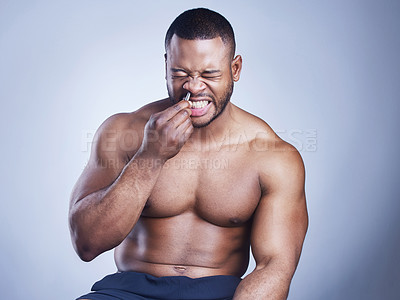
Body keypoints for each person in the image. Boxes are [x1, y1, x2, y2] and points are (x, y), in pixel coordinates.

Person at [69, 7, 308, 300]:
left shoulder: (273, 156)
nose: (193, 87)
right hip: (127, 292)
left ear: (235, 69)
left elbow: (275, 266)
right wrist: (150, 156)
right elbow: (87, 244)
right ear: (166, 65)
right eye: (180, 73)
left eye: (209, 74)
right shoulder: (121, 132)